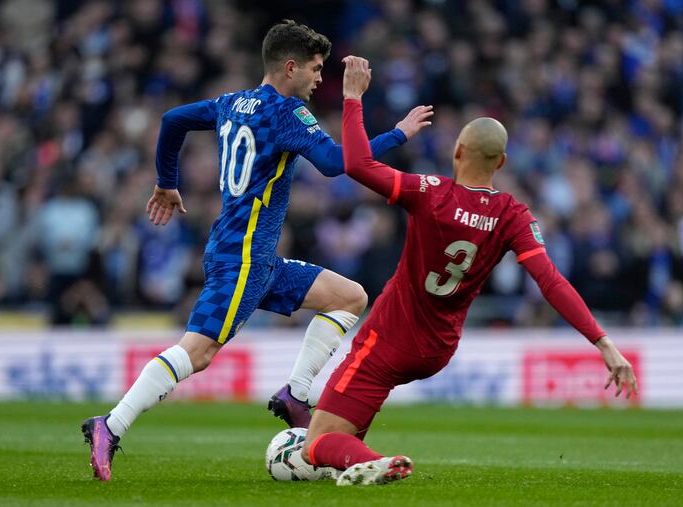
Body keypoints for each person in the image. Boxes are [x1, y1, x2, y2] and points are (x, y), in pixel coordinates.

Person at [81, 21, 431, 481]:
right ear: (290, 67)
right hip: (243, 258)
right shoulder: (288, 112)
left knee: (348, 296)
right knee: (199, 352)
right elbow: (337, 164)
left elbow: (173, 121)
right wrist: (394, 130)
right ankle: (111, 424)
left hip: (251, 255)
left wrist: (167, 181)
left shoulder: (231, 103)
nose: (319, 78)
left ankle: (296, 395)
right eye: (315, 68)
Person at [300, 56, 639, 486]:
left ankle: (377, 461)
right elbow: (550, 282)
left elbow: (356, 165)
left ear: (457, 151)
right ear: (500, 164)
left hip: (389, 338)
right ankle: (357, 462)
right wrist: (604, 344)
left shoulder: (429, 192)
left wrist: (352, 99)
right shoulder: (513, 214)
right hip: (438, 350)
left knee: (316, 442)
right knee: (343, 433)